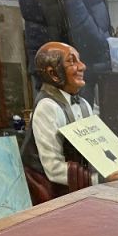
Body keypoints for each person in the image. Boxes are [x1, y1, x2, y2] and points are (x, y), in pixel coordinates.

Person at [19, 41, 93, 204]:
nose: (82, 66)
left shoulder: (84, 105)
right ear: (53, 74)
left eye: (79, 60)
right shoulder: (48, 107)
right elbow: (53, 169)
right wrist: (97, 179)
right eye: (72, 61)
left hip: (79, 191)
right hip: (51, 194)